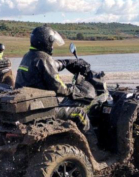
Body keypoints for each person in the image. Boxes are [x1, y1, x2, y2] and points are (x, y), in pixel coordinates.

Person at [15, 26, 107, 159]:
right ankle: (94, 151)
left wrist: (65, 63)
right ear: (46, 42)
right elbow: (60, 88)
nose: (52, 47)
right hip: (41, 110)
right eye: (52, 43)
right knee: (80, 113)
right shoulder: (45, 59)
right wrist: (77, 90)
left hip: (30, 107)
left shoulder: (28, 56)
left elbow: (46, 67)